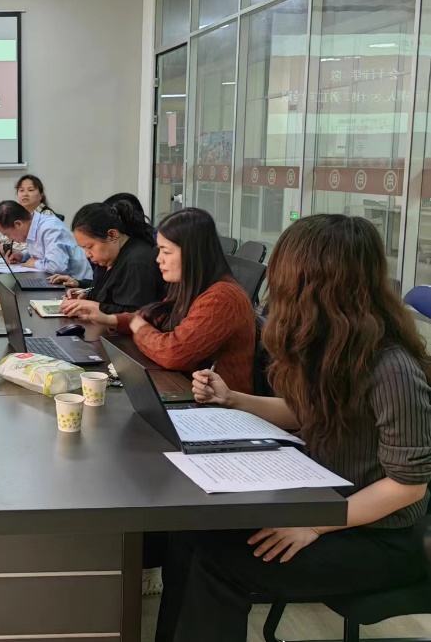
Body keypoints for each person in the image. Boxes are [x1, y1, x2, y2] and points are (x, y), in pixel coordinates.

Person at [157, 214, 431, 642]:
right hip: (323, 501)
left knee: (217, 562)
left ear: (318, 285)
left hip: (379, 536)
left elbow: (407, 487)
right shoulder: (332, 342)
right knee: (188, 534)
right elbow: (305, 413)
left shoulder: (391, 367)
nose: (274, 290)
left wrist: (315, 527)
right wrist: (232, 399)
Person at [79, 207, 255, 392]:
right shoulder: (190, 286)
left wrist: (141, 329)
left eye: (166, 252)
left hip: (217, 406)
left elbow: (174, 353)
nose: (159, 259)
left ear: (191, 254)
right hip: (188, 390)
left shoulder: (222, 298)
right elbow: (153, 317)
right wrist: (110, 318)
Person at [51, 201, 164, 318]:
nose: (87, 254)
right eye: (83, 248)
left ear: (112, 235)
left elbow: (135, 313)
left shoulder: (137, 261)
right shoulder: (110, 257)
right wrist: (87, 293)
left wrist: (93, 306)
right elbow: (109, 293)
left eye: (89, 247)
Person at [0, 200, 92, 279]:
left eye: (8, 234)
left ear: (18, 224)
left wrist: (34, 263)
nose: (9, 239)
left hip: (79, 284)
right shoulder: (32, 227)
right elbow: (42, 252)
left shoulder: (50, 228)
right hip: (59, 281)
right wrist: (22, 256)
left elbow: (57, 266)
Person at [0, 175, 59, 253]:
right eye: (21, 190)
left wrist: (5, 248)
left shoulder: (46, 216)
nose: (25, 194)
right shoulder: (18, 213)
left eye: (30, 190)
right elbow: (10, 235)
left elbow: (33, 248)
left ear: (41, 195)